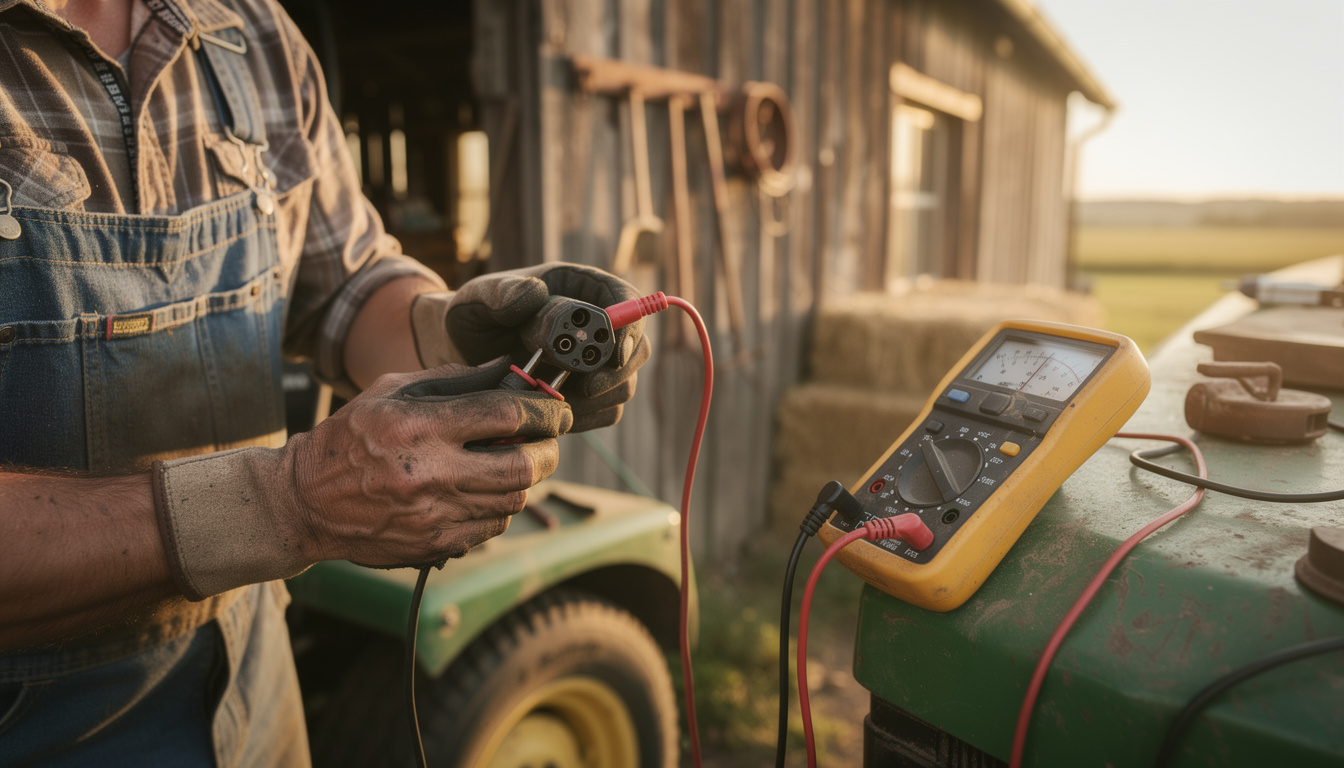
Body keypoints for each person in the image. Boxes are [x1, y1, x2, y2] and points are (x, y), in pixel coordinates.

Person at [0, 0, 649, 764]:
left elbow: (343, 283)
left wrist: (443, 329)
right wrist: (287, 504)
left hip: (255, 696)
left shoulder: (250, 31)